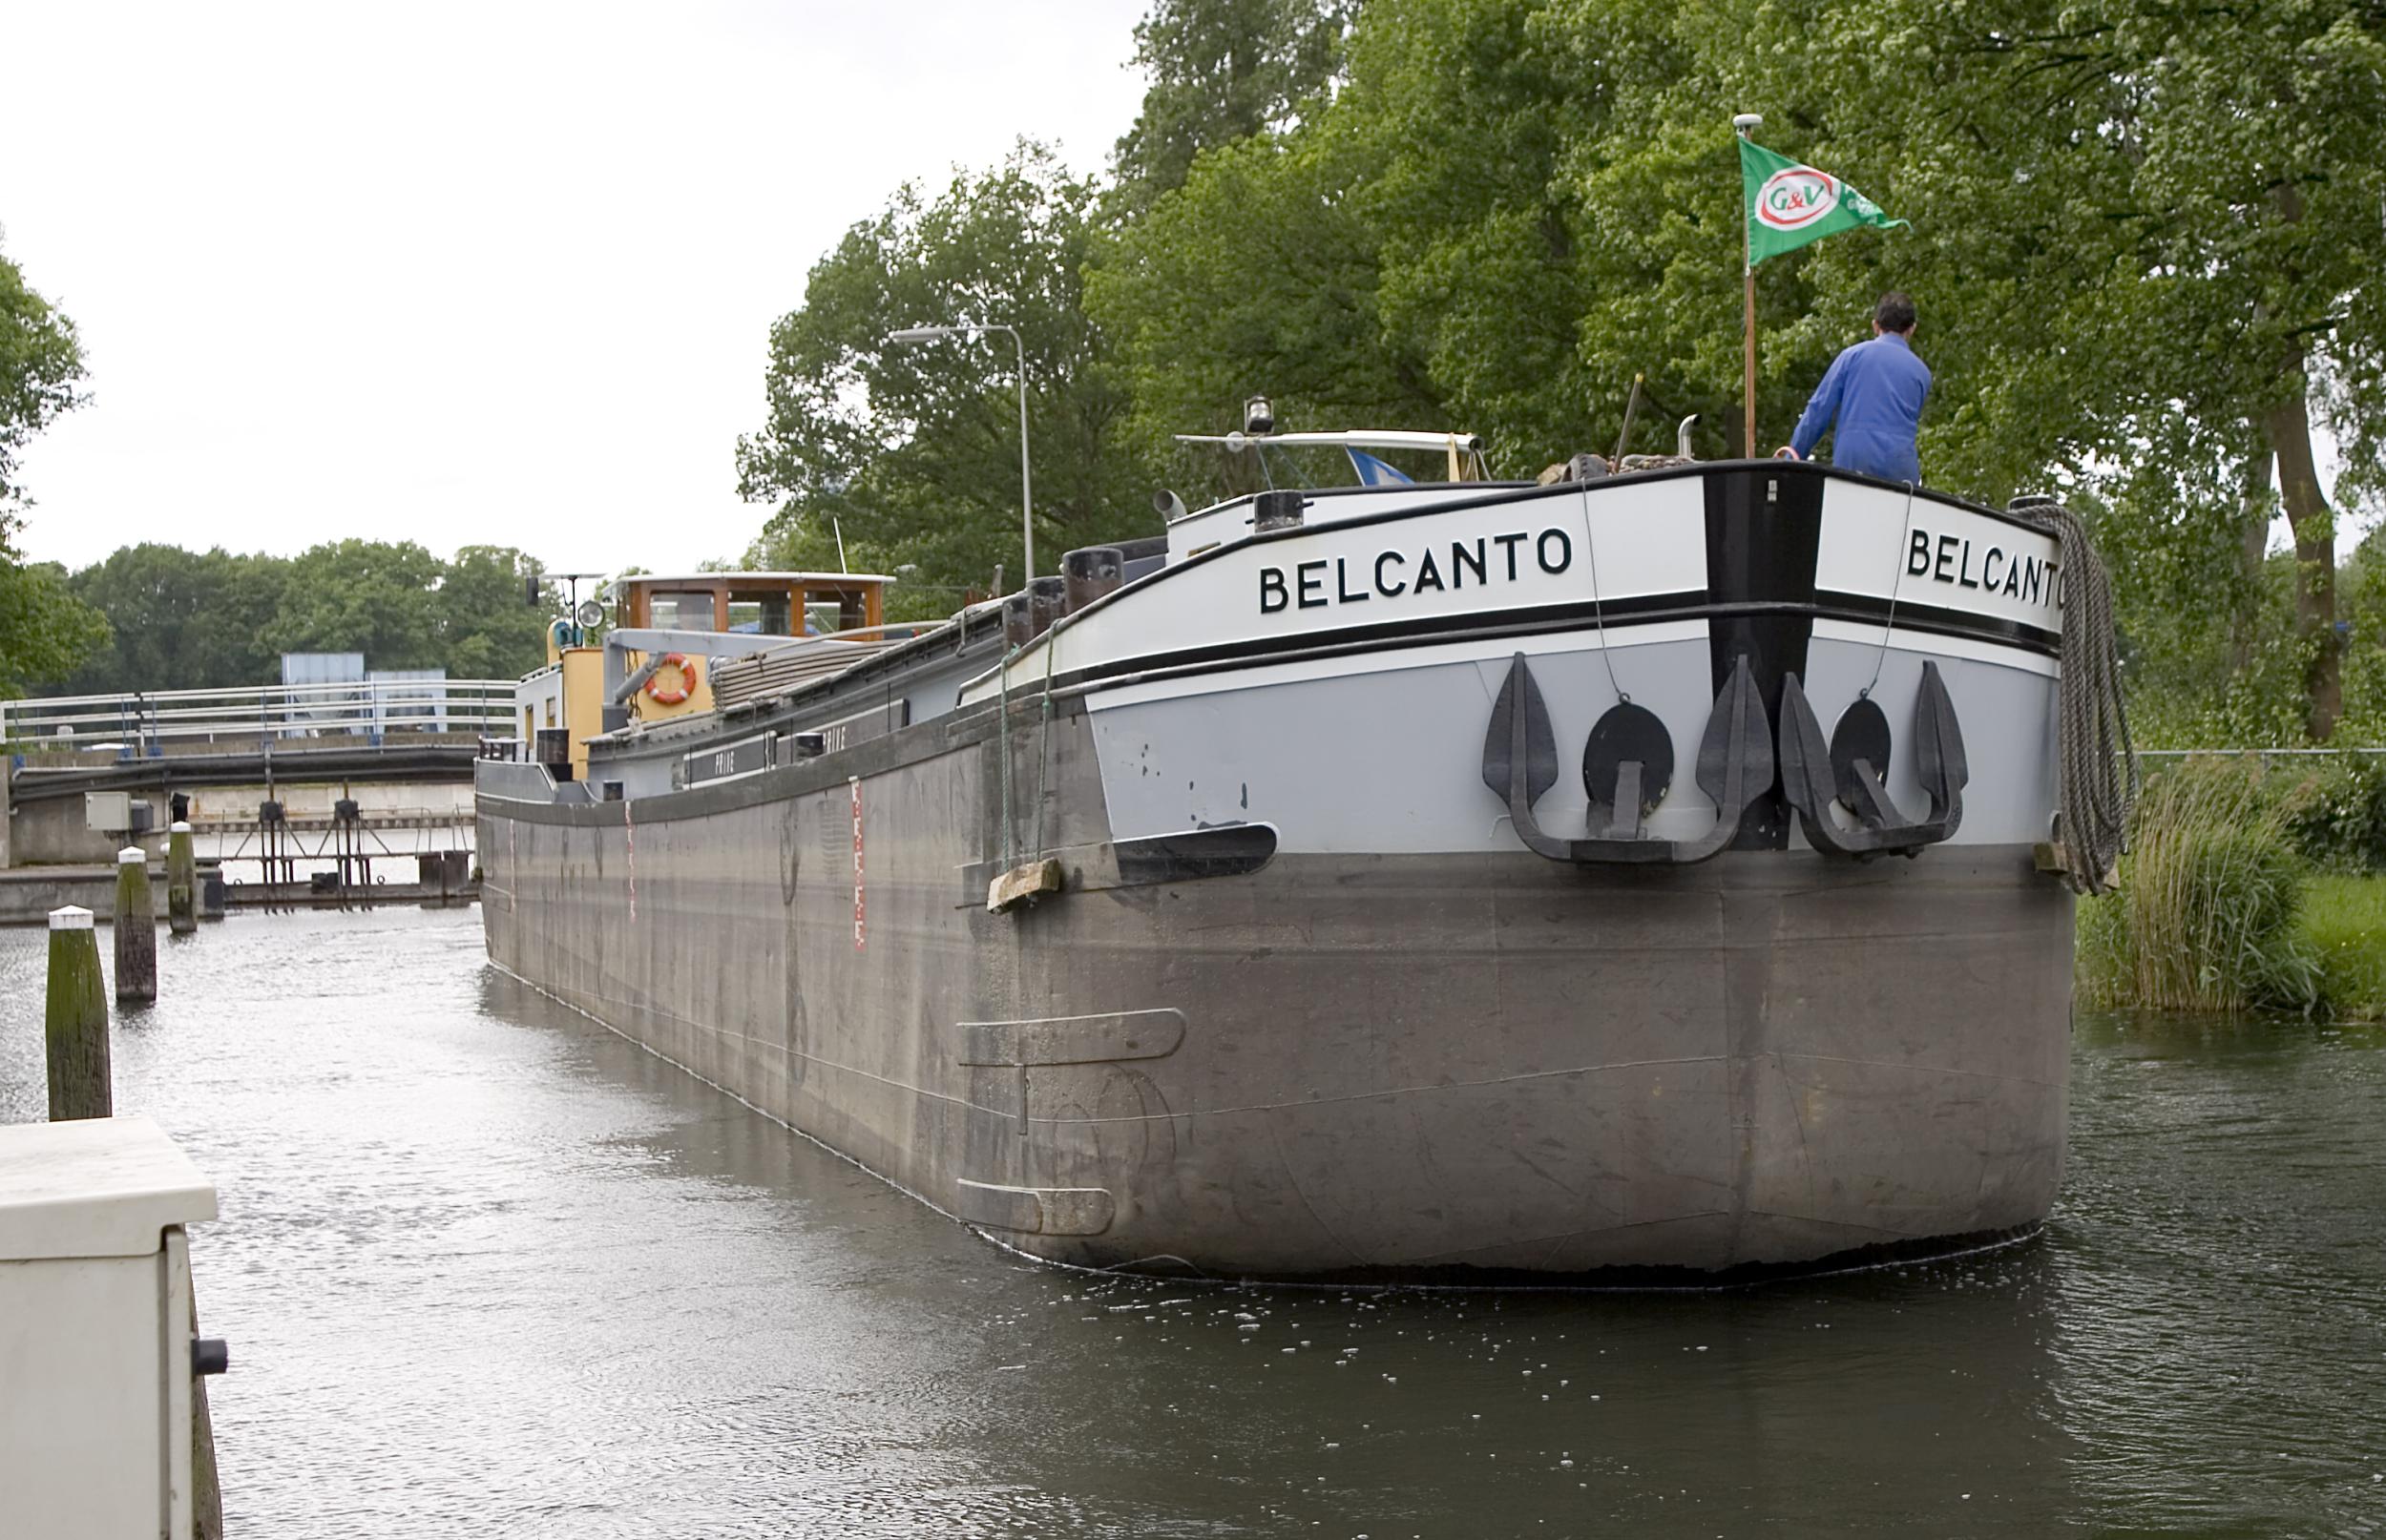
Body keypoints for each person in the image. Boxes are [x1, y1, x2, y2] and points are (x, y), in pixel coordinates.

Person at [1780, 292, 1930, 483]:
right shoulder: (1922, 373)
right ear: (1912, 329)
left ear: (1875, 325)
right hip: (1900, 465)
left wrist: (1792, 459)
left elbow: (1818, 410)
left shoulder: (1851, 357)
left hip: (1854, 460)